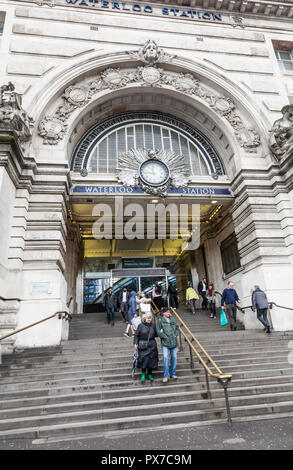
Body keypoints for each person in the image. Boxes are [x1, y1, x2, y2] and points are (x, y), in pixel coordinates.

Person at [156, 306, 179, 384]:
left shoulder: (172, 319)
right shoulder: (160, 320)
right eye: (167, 312)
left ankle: (173, 373)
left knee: (174, 357)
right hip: (165, 342)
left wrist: (175, 335)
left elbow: (177, 327)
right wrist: (164, 336)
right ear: (163, 313)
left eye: (169, 312)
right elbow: (158, 331)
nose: (169, 313)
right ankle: (166, 376)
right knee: (165, 357)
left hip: (173, 341)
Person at [134, 312, 158, 383]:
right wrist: (135, 343)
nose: (149, 319)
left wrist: (161, 331)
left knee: (151, 359)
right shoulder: (140, 325)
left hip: (152, 344)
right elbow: (136, 335)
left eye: (150, 318)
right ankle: (143, 373)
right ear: (144, 318)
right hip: (142, 344)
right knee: (143, 359)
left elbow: (156, 334)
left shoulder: (153, 325)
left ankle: (150, 374)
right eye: (148, 318)